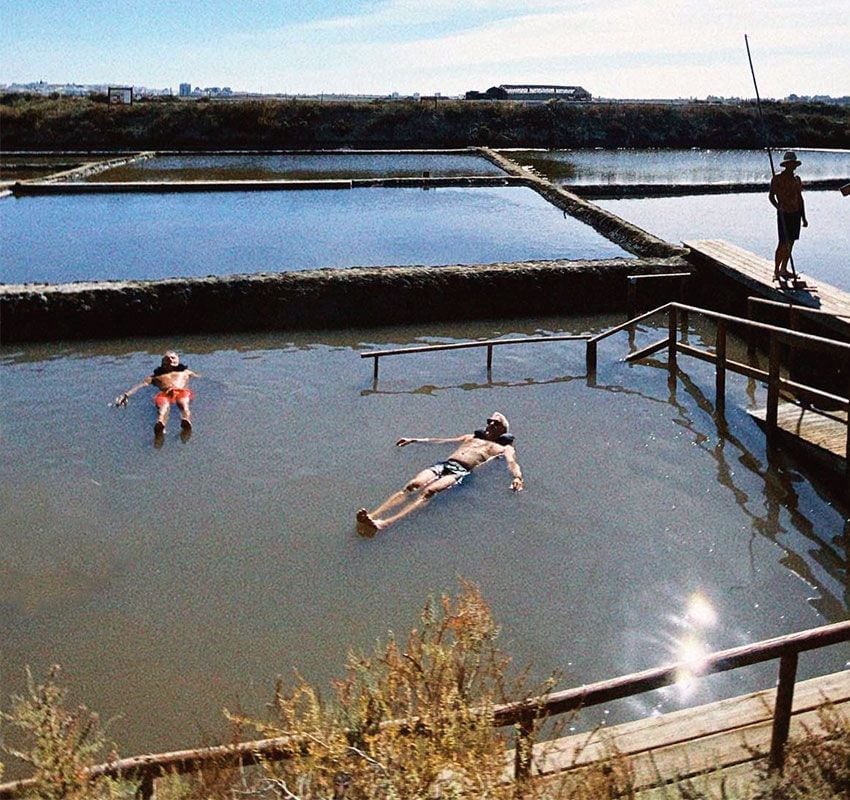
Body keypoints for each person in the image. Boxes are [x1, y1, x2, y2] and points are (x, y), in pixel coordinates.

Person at [356, 412, 523, 536]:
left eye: (496, 424)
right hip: (444, 465)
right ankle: (373, 515)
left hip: (461, 472)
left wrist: (517, 477)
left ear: (503, 430)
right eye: (489, 422)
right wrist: (415, 440)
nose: (490, 425)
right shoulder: (471, 437)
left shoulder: (504, 448)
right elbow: (442, 441)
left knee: (429, 492)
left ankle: (384, 524)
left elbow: (512, 462)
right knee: (412, 485)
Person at [115, 350, 199, 435]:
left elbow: (202, 379)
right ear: (163, 363)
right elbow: (140, 386)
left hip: (181, 391)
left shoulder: (185, 372)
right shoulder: (155, 377)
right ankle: (160, 423)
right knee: (163, 407)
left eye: (173, 358)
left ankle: (186, 420)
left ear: (178, 360)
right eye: (167, 359)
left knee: (183, 403)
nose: (170, 360)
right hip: (165, 394)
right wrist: (126, 395)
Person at [768, 150, 808, 283]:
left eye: (794, 164)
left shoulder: (797, 179)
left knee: (791, 242)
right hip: (784, 214)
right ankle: (776, 270)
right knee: (782, 243)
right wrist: (777, 206)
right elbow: (771, 196)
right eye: (790, 164)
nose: (792, 166)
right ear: (786, 165)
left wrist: (804, 217)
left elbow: (800, 199)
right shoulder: (777, 178)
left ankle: (784, 269)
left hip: (795, 214)